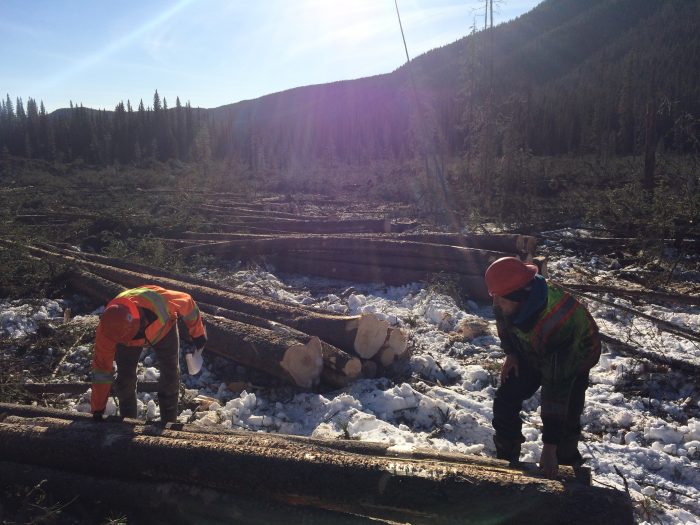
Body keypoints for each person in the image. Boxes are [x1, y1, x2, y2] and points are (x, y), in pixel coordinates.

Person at [485, 257, 600, 479]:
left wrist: (548, 447)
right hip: (532, 347)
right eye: (495, 298)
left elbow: (556, 388)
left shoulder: (562, 324)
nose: (496, 304)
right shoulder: (507, 295)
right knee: (505, 399)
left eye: (501, 300)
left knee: (565, 419)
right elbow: (503, 320)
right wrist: (511, 352)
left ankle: (567, 470)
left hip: (575, 358)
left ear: (520, 298)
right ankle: (506, 462)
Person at [90, 285, 207, 423]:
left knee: (170, 374)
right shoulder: (108, 331)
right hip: (126, 340)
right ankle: (127, 422)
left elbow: (188, 303)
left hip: (164, 330)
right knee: (124, 378)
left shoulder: (163, 300)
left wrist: (198, 333)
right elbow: (101, 370)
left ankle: (168, 423)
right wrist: (98, 409)